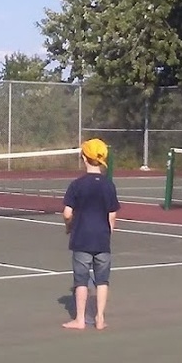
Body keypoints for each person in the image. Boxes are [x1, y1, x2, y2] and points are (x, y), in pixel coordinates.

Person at [61, 138, 120, 330]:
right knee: (102, 280)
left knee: (81, 280)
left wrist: (69, 226)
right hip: (102, 240)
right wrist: (107, 233)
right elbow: (112, 216)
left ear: (84, 158)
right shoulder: (109, 185)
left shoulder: (77, 185)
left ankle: (80, 320)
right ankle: (100, 318)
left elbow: (67, 213)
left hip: (82, 239)